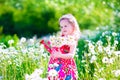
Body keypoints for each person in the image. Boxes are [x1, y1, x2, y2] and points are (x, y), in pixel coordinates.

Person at [40, 14, 81, 80]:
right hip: (55, 64)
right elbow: (54, 49)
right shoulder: (60, 38)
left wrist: (60, 55)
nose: (63, 28)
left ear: (73, 26)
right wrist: (49, 44)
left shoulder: (71, 40)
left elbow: (71, 55)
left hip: (66, 66)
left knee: (65, 77)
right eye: (61, 27)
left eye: (65, 26)